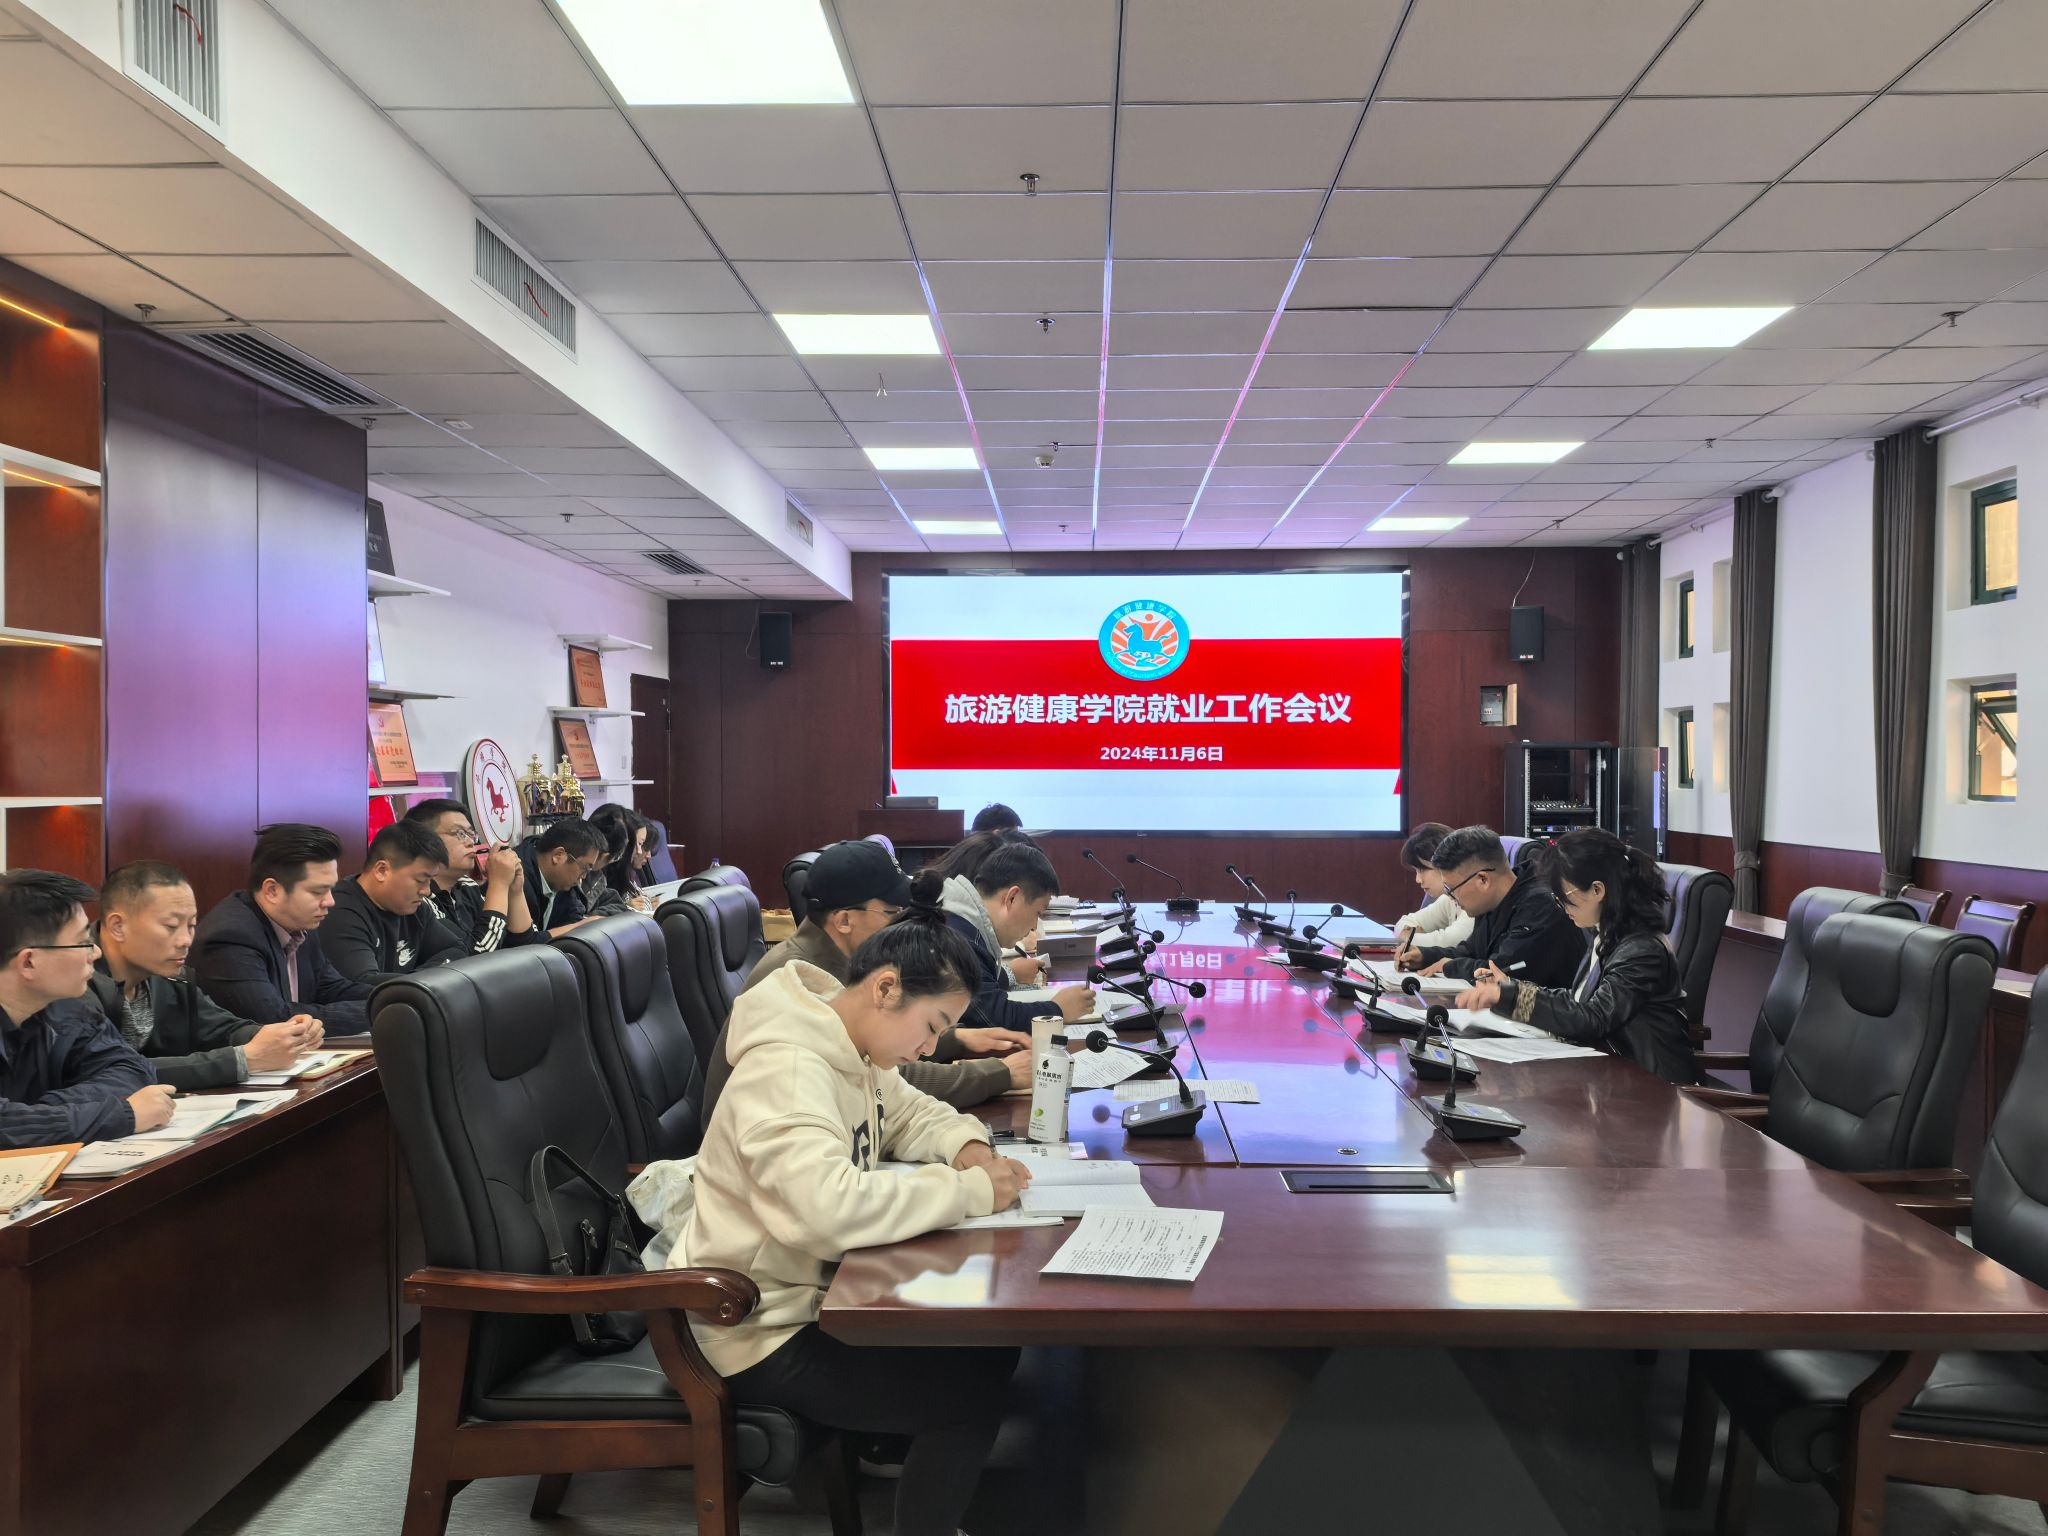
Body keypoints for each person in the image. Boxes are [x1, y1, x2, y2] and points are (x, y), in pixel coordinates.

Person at [654, 874, 1029, 1536]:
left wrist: (967, 1147)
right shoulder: (789, 1070)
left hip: (809, 1292)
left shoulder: (849, 1040)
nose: (928, 1048)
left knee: (991, 1347)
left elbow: (908, 1111)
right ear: (885, 988)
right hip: (755, 1327)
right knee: (967, 1399)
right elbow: (825, 1212)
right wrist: (968, 1191)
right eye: (932, 1027)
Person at [703, 841, 1030, 1124]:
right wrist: (999, 1074)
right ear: (844, 919)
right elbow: (885, 1077)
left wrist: (954, 1038)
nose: (904, 922)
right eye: (892, 912)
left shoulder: (840, 958)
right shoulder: (802, 979)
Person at [1454, 829, 1698, 1085]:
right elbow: (1578, 998)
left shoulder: (1641, 950)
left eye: (1564, 897)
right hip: (1612, 1075)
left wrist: (1510, 997)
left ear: (1597, 890)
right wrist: (1511, 988)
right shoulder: (1607, 934)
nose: (1561, 907)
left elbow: (1593, 1018)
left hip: (1652, 1087)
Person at [91, 860, 322, 1090]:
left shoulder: (171, 977)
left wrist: (285, 1036)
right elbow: (111, 1072)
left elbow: (221, 1028)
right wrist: (243, 1059)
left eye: (191, 925)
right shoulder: (77, 984)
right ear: (118, 926)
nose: (185, 940)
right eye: (171, 926)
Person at [0, 870, 171, 1147]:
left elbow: (133, 1070)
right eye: (82, 943)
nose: (96, 952)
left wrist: (41, 1113)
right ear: (28, 962)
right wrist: (119, 1114)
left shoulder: (64, 1008)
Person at [191, 824, 374, 1030]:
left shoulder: (299, 922)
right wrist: (379, 1011)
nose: (330, 901)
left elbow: (330, 988)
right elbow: (276, 1018)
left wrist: (396, 996)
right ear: (272, 890)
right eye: (317, 892)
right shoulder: (230, 938)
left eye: (331, 889)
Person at [1405, 824, 1583, 988]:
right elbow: (1471, 951)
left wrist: (1452, 966)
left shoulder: (1541, 906)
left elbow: (1502, 971)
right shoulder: (1491, 901)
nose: (1450, 897)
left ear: (1483, 879)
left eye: (1451, 889)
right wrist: (1426, 956)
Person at [939, 842, 1092, 1029]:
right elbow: (991, 1018)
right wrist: (1058, 1010)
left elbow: (980, 993)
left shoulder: (964, 921)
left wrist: (1007, 974)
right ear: (1012, 898)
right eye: (1037, 913)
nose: (1034, 926)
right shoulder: (960, 939)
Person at [323, 822, 471, 987]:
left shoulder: (415, 908)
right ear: (382, 870)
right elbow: (363, 983)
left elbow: (456, 949)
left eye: (430, 880)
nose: (426, 891)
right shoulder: (340, 911)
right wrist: (425, 981)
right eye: (421, 880)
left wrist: (417, 979)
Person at [402, 798, 536, 954]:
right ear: (425, 841)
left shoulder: (467, 885)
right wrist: (499, 884)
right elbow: (476, 954)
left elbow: (525, 945)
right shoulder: (418, 898)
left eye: (471, 834)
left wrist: (514, 890)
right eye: (460, 834)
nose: (471, 842)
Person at [1390, 822, 1473, 962]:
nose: (1418, 880)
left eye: (1422, 870)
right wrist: (1409, 934)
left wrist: (1410, 937)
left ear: (1445, 862)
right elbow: (1405, 922)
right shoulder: (1448, 899)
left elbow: (1449, 941)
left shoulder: (1476, 899)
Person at [515, 818, 609, 937]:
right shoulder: (516, 878)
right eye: (585, 868)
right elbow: (524, 943)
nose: (584, 876)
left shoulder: (562, 883)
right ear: (558, 855)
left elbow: (573, 917)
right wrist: (580, 926)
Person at [581, 803, 651, 917]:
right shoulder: (587, 876)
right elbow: (577, 918)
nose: (639, 851)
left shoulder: (603, 877)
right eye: (638, 844)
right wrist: (626, 908)